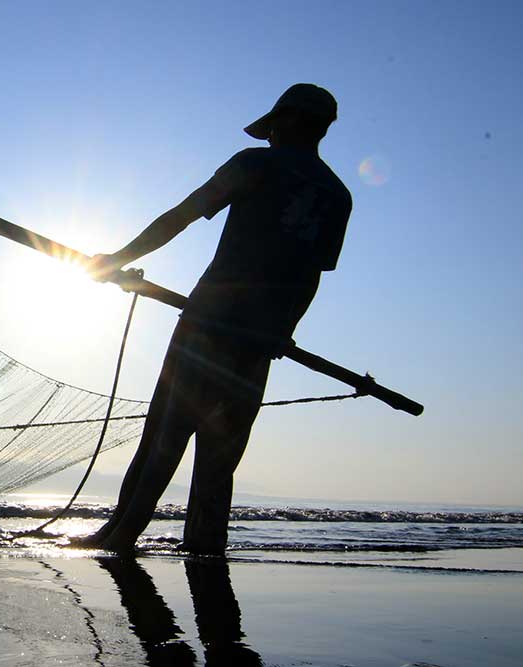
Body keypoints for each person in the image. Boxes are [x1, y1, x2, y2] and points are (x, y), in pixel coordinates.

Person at [82, 83, 352, 554]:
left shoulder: (255, 164)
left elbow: (180, 217)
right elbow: (311, 277)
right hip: (261, 338)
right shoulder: (336, 194)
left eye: (275, 127)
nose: (269, 136)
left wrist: (117, 258)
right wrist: (283, 332)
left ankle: (120, 534)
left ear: (288, 121)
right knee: (219, 453)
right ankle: (204, 546)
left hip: (210, 323)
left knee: (165, 433)